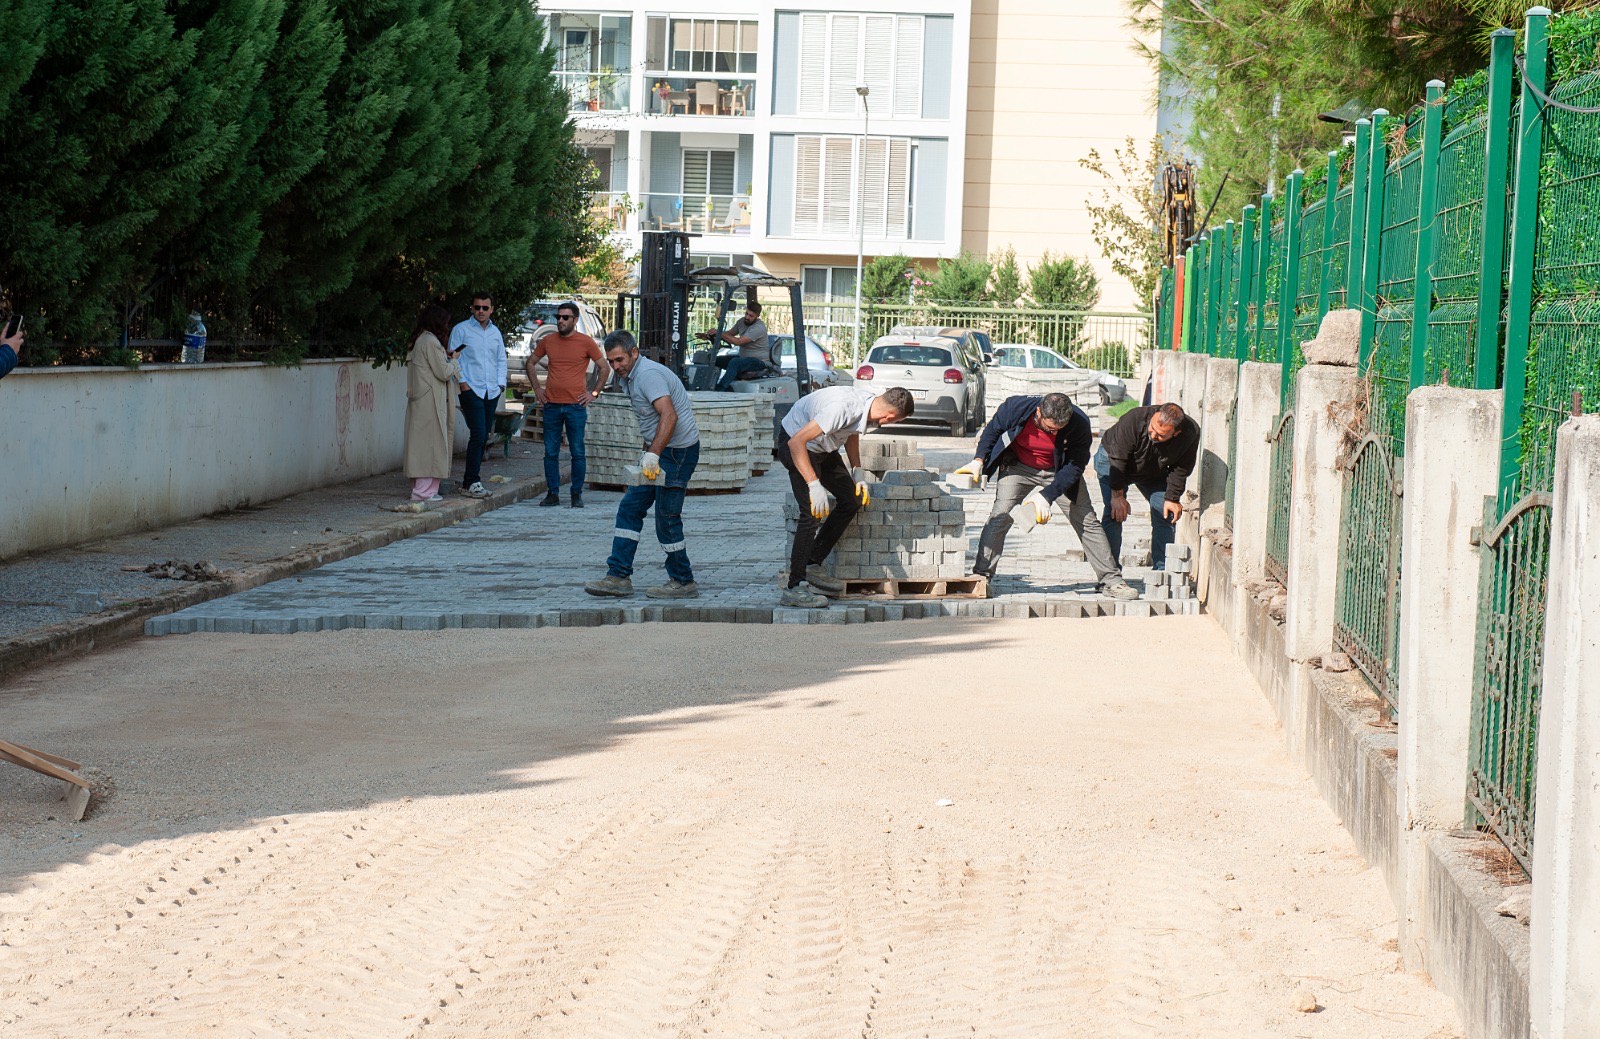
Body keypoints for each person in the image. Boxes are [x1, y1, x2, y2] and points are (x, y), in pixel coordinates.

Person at [954, 393, 1140, 600]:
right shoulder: (1015, 407)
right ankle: (982, 576)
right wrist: (978, 460)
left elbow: (1075, 466)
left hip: (1059, 472)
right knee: (1000, 515)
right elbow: (992, 430)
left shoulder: (1079, 423)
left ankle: (1112, 581)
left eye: (1059, 430)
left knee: (1087, 520)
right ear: (1039, 412)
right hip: (1018, 467)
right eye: (1050, 428)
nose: (1054, 433)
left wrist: (1046, 496)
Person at [584, 331, 702, 600]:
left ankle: (683, 581)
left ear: (634, 353)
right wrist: (647, 451)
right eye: (611, 361)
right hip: (661, 451)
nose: (615, 366)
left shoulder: (648, 375)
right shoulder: (630, 375)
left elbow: (669, 416)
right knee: (630, 508)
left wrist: (653, 455)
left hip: (678, 454)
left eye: (620, 360)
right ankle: (618, 576)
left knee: (667, 517)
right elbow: (649, 419)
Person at [778, 384, 915, 608]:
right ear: (890, 417)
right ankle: (794, 587)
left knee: (851, 501)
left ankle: (811, 563)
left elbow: (852, 431)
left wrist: (857, 470)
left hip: (822, 447)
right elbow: (796, 443)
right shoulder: (842, 408)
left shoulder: (869, 403)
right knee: (811, 514)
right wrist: (813, 484)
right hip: (796, 443)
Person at [1094, 401, 1200, 571]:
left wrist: (1172, 498)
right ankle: (1109, 573)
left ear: (1176, 433)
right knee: (1114, 512)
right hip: (1113, 462)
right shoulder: (1134, 419)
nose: (1153, 435)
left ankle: (1162, 571)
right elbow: (1118, 459)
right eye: (1152, 428)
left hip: (1153, 471)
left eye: (1161, 435)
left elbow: (1182, 467)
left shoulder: (1190, 432)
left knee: (1165, 511)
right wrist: (1117, 496)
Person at [529, 301, 607, 509]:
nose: (560, 321)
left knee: (577, 452)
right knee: (550, 453)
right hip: (552, 405)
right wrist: (537, 389)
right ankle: (553, 493)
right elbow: (530, 363)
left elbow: (604, 367)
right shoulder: (548, 340)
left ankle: (576, 494)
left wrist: (594, 393)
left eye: (565, 317)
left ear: (575, 320)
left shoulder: (586, 342)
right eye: (558, 317)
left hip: (575, 407)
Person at [448, 292, 507, 498]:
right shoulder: (461, 330)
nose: (481, 311)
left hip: (491, 391)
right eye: (477, 307)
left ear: (491, 310)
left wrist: (500, 385)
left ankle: (471, 481)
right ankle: (471, 482)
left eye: (485, 308)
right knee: (479, 433)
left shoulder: (495, 332)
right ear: (471, 308)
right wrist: (463, 383)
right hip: (471, 389)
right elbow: (453, 358)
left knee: (483, 436)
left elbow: (501, 359)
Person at [401, 304, 460, 502]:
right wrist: (454, 361)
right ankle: (424, 492)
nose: (447, 326)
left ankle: (424, 489)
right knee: (430, 446)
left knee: (423, 445)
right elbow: (443, 372)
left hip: (423, 400)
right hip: (430, 401)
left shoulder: (420, 339)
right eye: (445, 322)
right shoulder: (430, 342)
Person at [703, 301, 770, 390]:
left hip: (759, 362)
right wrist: (712, 335)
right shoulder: (741, 322)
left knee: (735, 362)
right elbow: (729, 334)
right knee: (715, 360)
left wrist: (719, 333)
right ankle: (708, 385)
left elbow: (739, 342)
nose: (747, 317)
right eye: (746, 313)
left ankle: (720, 389)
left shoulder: (759, 328)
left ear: (757, 316)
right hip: (744, 358)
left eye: (751, 316)